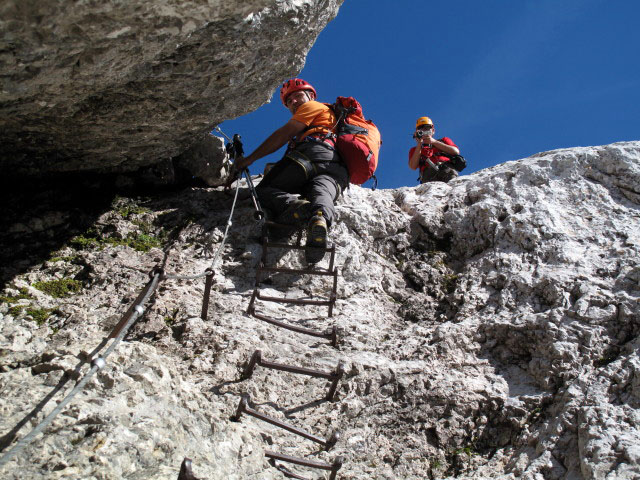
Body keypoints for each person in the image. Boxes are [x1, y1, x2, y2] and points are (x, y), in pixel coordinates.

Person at [232, 78, 349, 264]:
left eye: (297, 96)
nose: (293, 102)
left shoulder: (312, 107)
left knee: (263, 190)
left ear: (310, 96)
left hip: (312, 153)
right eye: (289, 101)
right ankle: (319, 221)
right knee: (321, 193)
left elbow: (284, 134)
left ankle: (295, 206)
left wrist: (249, 159)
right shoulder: (329, 119)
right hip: (336, 167)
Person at [408, 116, 460, 184]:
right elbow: (413, 166)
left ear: (433, 130)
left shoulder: (443, 140)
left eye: (427, 128)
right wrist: (419, 144)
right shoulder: (415, 149)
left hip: (447, 169)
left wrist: (434, 142)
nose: (424, 131)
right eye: (421, 129)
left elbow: (455, 151)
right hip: (428, 176)